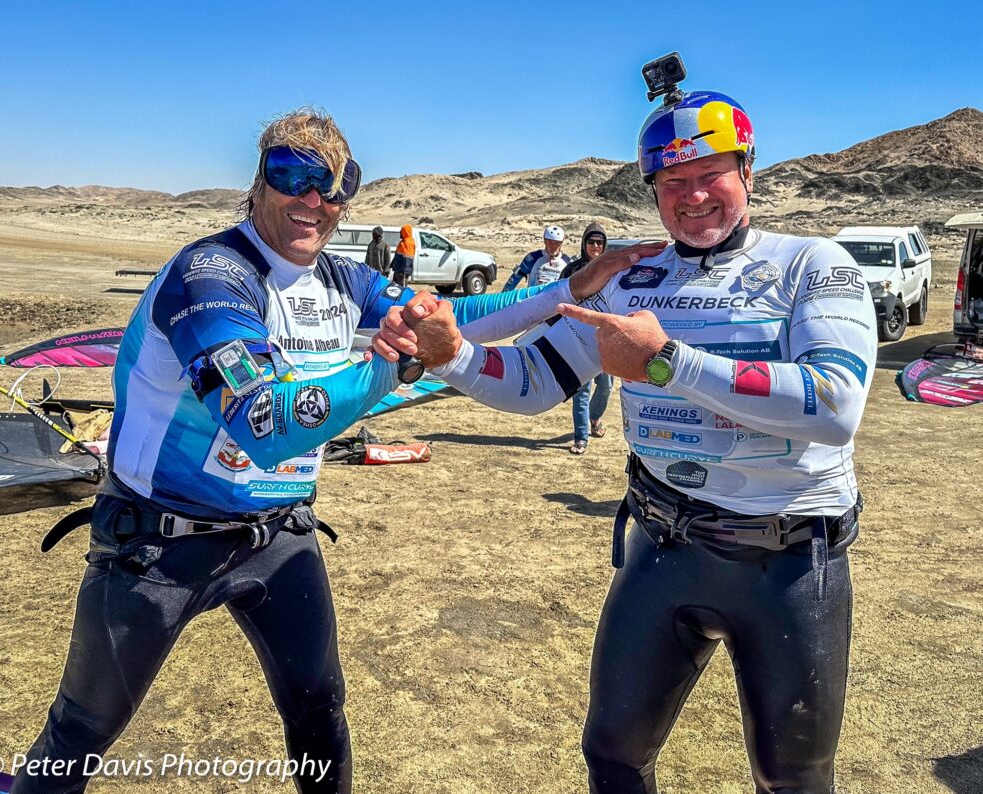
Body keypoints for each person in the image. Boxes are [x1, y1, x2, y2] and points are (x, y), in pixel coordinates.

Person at [12, 107, 652, 794]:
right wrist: (395, 366)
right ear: (258, 182)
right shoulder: (212, 275)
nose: (313, 199)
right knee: (79, 734)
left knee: (320, 716)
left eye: (336, 185)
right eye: (292, 174)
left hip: (279, 535)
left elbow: (449, 317)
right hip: (159, 540)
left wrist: (566, 292)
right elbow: (262, 424)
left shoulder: (343, 281)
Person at [374, 88, 877, 794]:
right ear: (652, 190)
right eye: (673, 181)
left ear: (749, 172)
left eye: (712, 173)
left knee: (791, 778)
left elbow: (835, 403)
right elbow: (534, 379)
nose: (693, 195)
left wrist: (668, 361)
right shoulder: (633, 279)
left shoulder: (814, 265)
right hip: (665, 551)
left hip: (791, 567)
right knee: (612, 753)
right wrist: (453, 354)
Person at [561, 223, 613, 454]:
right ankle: (581, 438)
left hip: (604, 337)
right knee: (582, 389)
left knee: (606, 386)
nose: (595, 246)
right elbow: (558, 299)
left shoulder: (612, 269)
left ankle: (594, 418)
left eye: (599, 242)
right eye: (591, 242)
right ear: (584, 244)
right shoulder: (572, 270)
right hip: (576, 337)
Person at [501, 224, 572, 290]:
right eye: (550, 242)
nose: (553, 246)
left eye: (556, 243)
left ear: (561, 243)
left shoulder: (568, 262)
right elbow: (514, 278)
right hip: (534, 300)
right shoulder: (532, 258)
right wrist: (502, 297)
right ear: (545, 241)